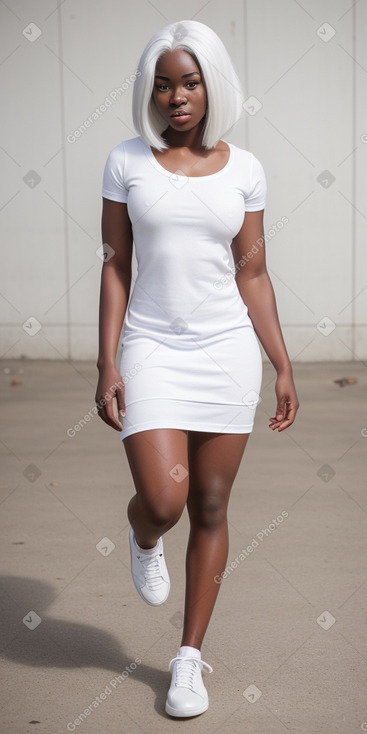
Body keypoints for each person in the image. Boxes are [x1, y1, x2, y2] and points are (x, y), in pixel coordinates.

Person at [95, 19, 299, 719]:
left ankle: (186, 660)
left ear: (211, 85)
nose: (176, 96)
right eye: (163, 83)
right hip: (151, 347)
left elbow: (254, 272)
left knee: (211, 506)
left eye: (188, 82)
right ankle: (144, 535)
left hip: (226, 351)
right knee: (165, 500)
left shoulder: (244, 170)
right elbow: (116, 266)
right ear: (148, 91)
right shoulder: (126, 161)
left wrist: (280, 362)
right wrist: (107, 362)